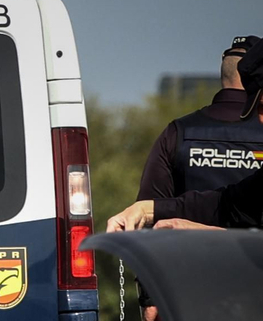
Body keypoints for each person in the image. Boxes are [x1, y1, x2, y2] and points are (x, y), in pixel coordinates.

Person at [131, 35, 262, 321]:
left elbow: (148, 229)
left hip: (189, 300)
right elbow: (226, 203)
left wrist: (151, 299)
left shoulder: (177, 133)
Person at [109, 43, 263, 234]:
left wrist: (199, 232)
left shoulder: (177, 132)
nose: (260, 119)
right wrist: (147, 209)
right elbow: (228, 205)